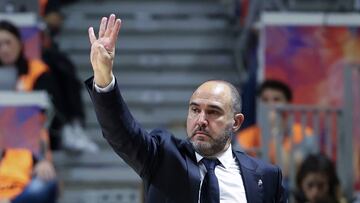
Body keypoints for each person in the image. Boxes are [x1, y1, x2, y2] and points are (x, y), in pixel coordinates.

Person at [85, 14, 286, 202]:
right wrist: (103, 78)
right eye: (195, 110)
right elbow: (120, 133)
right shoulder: (163, 156)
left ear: (236, 122)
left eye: (213, 112)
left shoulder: (267, 177)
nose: (201, 120)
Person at [237, 80, 315, 162]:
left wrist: (275, 129)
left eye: (276, 99)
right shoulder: (245, 137)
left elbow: (288, 170)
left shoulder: (305, 134)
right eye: (265, 100)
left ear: (288, 104)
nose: (270, 104)